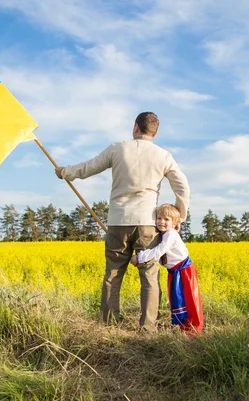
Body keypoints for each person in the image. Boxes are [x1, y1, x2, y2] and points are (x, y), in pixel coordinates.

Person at [55, 112, 190, 333]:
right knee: (149, 277)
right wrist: (179, 217)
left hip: (118, 221)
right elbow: (182, 186)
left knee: (113, 275)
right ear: (155, 133)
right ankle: (147, 329)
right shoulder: (163, 155)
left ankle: (109, 326)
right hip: (148, 223)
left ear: (135, 127)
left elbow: (88, 167)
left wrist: (64, 172)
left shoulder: (117, 148)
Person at [131, 204, 204, 335]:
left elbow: (159, 251)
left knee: (189, 300)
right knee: (178, 300)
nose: (161, 222)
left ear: (175, 223)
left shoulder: (171, 235)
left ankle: (194, 330)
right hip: (175, 272)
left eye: (166, 219)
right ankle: (184, 328)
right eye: (159, 218)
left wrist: (139, 257)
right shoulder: (164, 234)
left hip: (184, 271)